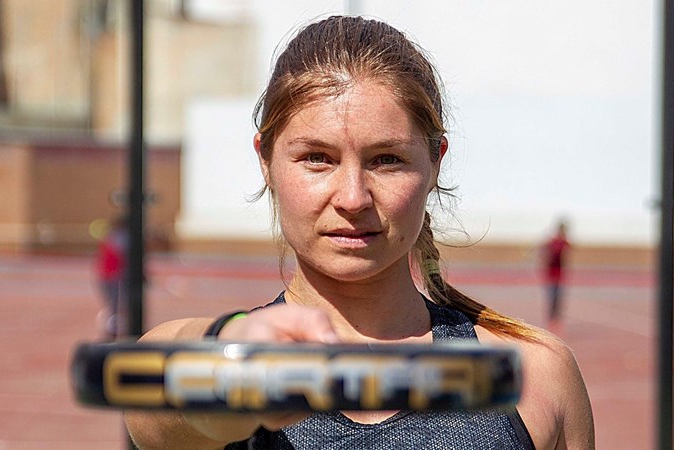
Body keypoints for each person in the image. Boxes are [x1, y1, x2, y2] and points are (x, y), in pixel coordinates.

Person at [125, 16, 594, 449]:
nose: (353, 197)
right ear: (265, 160)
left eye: (386, 160)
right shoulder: (211, 355)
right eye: (317, 157)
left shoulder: (537, 375)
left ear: (435, 163)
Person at [95, 215, 128, 339]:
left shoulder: (112, 237)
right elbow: (122, 256)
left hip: (109, 275)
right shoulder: (119, 238)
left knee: (115, 304)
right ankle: (112, 329)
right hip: (114, 276)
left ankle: (113, 328)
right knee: (116, 304)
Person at [541, 220, 571, 334]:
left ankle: (556, 321)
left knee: (558, 299)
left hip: (560, 276)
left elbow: (568, 248)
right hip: (551, 275)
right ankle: (551, 320)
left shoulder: (563, 242)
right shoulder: (553, 242)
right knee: (552, 298)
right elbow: (548, 253)